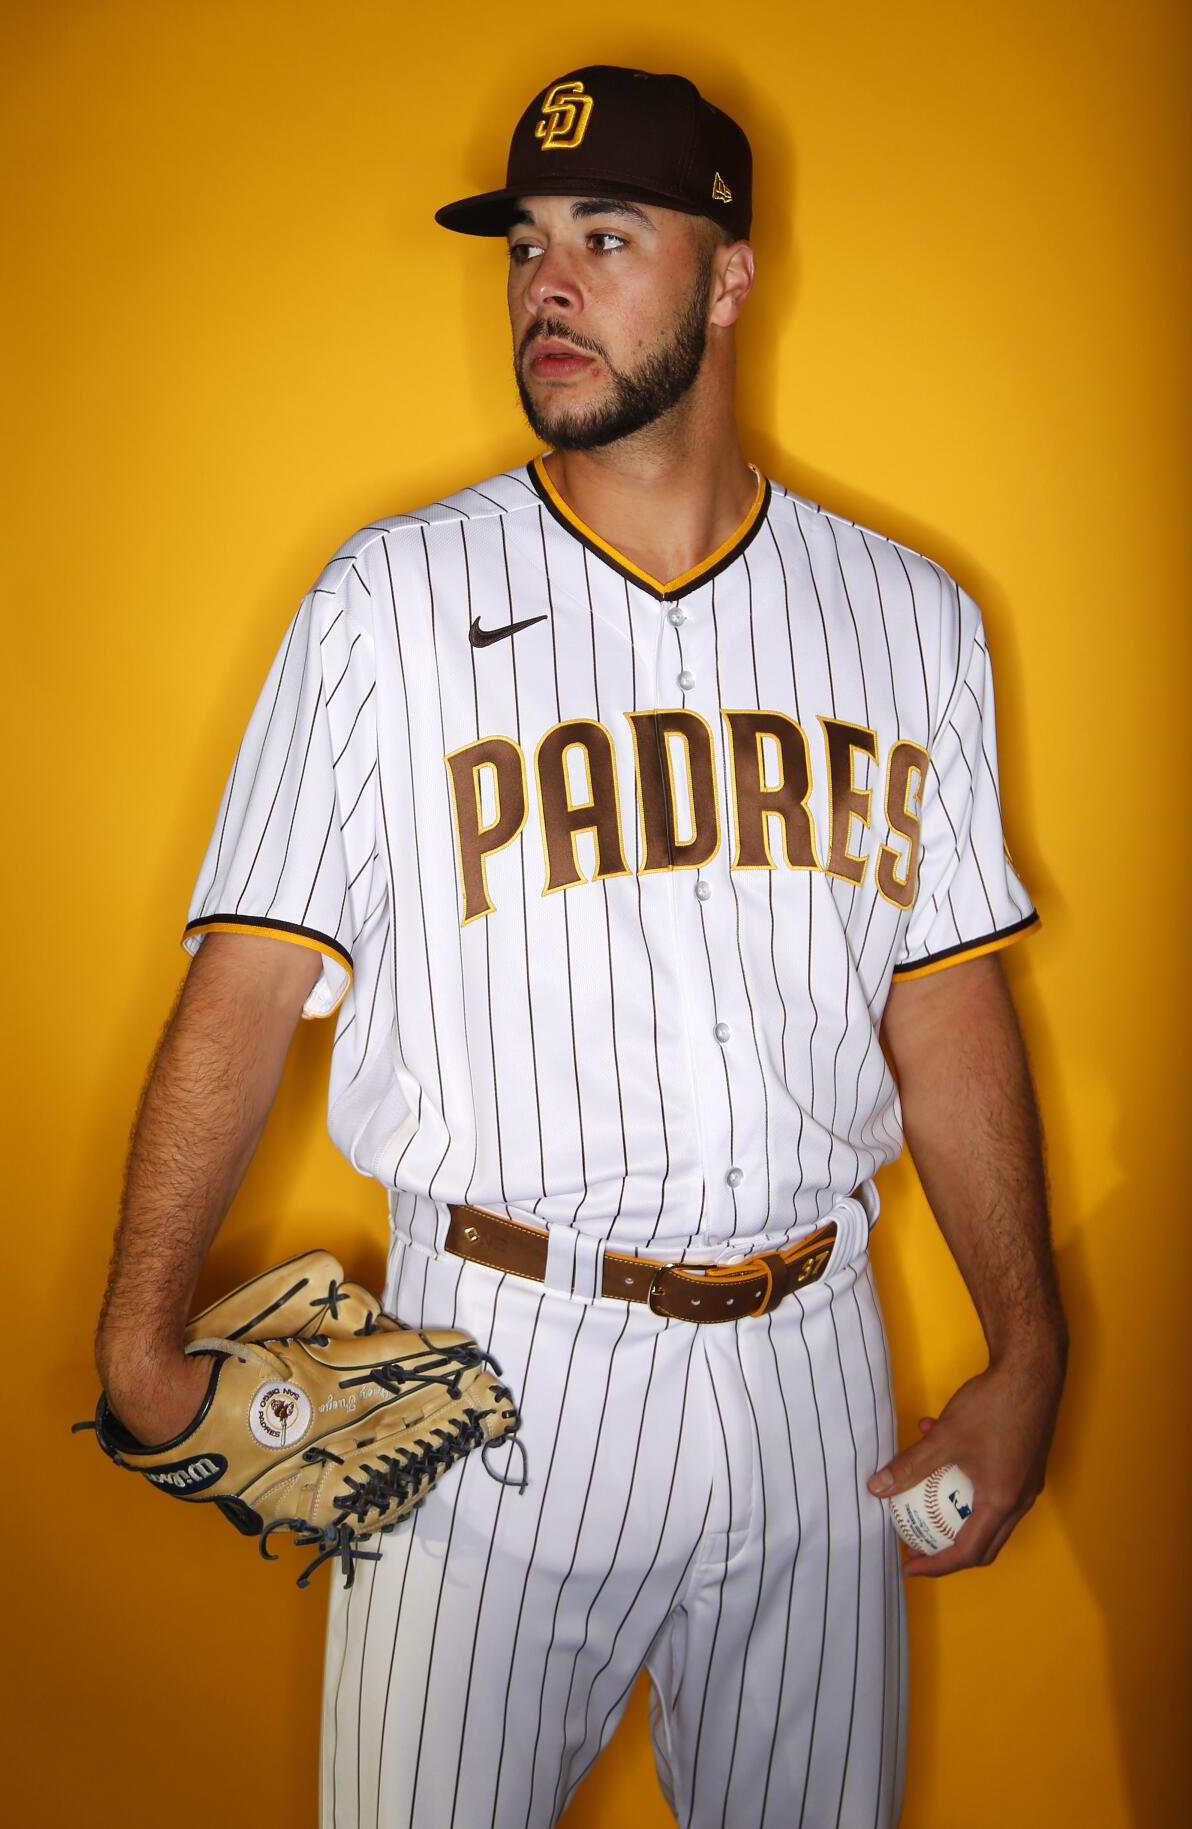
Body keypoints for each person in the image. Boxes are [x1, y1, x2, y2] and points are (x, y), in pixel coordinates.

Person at [95, 64, 1067, 1828]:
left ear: (728, 276)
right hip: (493, 1373)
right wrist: (139, 1336)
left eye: (606, 239)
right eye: (526, 246)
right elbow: (245, 979)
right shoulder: (384, 604)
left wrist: (1028, 1350)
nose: (546, 285)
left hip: (812, 1378)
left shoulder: (907, 618)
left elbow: (947, 1003)